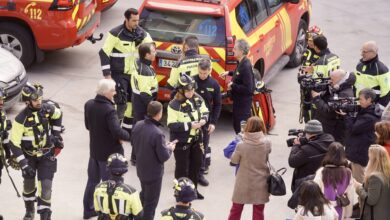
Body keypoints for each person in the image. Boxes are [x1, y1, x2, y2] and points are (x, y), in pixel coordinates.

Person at [9, 83, 63, 220]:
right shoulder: (20, 119)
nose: (39, 102)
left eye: (40, 99)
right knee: (28, 186)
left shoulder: (47, 109)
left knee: (46, 186)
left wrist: (56, 136)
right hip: (29, 157)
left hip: (46, 155)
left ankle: (45, 216)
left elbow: (58, 114)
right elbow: (14, 143)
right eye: (35, 100)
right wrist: (24, 164)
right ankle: (29, 211)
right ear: (28, 102)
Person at [99, 8, 153, 134]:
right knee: (121, 103)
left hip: (133, 74)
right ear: (126, 19)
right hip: (119, 74)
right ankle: (114, 130)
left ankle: (127, 131)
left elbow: (151, 48)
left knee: (132, 104)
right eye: (133, 20)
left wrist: (145, 48)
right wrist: (107, 76)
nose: (136, 23)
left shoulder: (141, 33)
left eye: (138, 20)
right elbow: (104, 53)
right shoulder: (115, 33)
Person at [83, 79, 130, 219]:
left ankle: (88, 210)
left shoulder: (89, 104)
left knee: (92, 181)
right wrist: (129, 137)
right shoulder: (109, 110)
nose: (115, 93)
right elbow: (117, 132)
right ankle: (108, 214)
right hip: (109, 155)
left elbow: (88, 126)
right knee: (109, 186)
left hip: (94, 152)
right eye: (113, 90)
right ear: (105, 92)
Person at [167, 73, 209, 199]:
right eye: (188, 90)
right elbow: (172, 124)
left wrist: (203, 120)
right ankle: (179, 194)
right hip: (181, 142)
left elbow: (205, 111)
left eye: (192, 89)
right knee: (181, 169)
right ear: (181, 90)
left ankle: (193, 191)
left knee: (196, 166)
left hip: (196, 139)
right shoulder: (174, 105)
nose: (191, 92)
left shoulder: (197, 98)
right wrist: (190, 125)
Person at [131, 101, 176, 220]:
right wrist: (170, 148)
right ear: (159, 113)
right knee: (151, 204)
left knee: (144, 195)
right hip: (153, 175)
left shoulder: (138, 125)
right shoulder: (157, 133)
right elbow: (164, 157)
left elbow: (136, 143)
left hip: (141, 170)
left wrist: (162, 145)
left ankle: (138, 216)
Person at [228, 116, 271, 220]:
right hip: (261, 180)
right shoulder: (267, 142)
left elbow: (234, 161)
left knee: (236, 209)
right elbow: (267, 153)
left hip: (243, 181)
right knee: (258, 210)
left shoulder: (241, 145)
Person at [344, 88, 382, 183]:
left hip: (359, 154)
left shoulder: (370, 117)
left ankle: (361, 198)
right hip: (358, 152)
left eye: (361, 99)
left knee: (359, 183)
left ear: (369, 100)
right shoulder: (368, 111)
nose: (359, 101)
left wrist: (347, 115)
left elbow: (353, 129)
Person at [194, 58, 222, 186]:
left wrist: (213, 123)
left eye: (205, 73)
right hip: (191, 119)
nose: (202, 75)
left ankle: (200, 173)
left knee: (203, 147)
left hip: (206, 121)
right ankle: (190, 172)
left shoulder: (214, 84)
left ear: (210, 71)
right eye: (200, 72)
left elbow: (217, 105)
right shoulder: (192, 81)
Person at [130, 42, 158, 165]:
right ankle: (137, 157)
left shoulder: (139, 63)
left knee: (138, 129)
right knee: (142, 131)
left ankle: (135, 156)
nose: (155, 52)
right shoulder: (145, 71)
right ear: (147, 55)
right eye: (153, 51)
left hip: (137, 101)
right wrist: (154, 109)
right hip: (143, 104)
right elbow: (145, 94)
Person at [288, 120, 334, 192]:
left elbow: (292, 162)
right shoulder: (329, 141)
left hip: (305, 183)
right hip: (323, 181)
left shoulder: (306, 150)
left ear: (309, 133)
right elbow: (316, 143)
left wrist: (296, 145)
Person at [94, 153, 143, 220]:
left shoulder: (98, 188)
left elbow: (98, 211)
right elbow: (139, 216)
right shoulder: (131, 192)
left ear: (108, 168)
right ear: (124, 170)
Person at [311, 69, 355, 144]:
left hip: (334, 133)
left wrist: (317, 98)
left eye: (332, 79)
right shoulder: (337, 87)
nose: (329, 81)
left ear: (340, 80)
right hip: (326, 127)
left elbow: (329, 112)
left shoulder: (345, 95)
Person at [313, 142, 354, 220]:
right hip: (340, 208)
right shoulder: (348, 172)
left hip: (324, 210)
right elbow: (350, 194)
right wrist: (348, 213)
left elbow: (314, 192)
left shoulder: (322, 172)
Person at [223, 39, 254, 134]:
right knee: (236, 125)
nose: (233, 50)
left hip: (243, 104)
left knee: (240, 129)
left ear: (241, 51)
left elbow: (249, 89)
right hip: (238, 101)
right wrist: (229, 73)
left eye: (235, 49)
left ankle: (243, 146)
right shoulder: (241, 62)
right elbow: (238, 73)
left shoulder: (245, 65)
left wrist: (233, 85)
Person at [354, 145, 390, 220]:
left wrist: (358, 187)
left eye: (369, 158)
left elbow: (371, 200)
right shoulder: (385, 174)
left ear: (374, 160)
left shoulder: (375, 177)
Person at [298, 26, 323, 123]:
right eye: (308, 39)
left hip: (315, 89)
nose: (309, 41)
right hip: (305, 88)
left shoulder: (322, 57)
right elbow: (303, 66)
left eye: (312, 40)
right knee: (305, 108)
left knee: (314, 111)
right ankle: (307, 124)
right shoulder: (306, 51)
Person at [354, 41, 390, 107]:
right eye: (361, 51)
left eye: (364, 52)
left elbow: (386, 92)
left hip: (371, 107)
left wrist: (379, 108)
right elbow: (355, 84)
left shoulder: (381, 70)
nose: (361, 54)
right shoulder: (359, 65)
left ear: (373, 52)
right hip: (358, 103)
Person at [0, 88, 11, 184]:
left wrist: (8, 152)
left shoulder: (3, 114)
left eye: (2, 99)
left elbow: (4, 136)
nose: (1, 102)